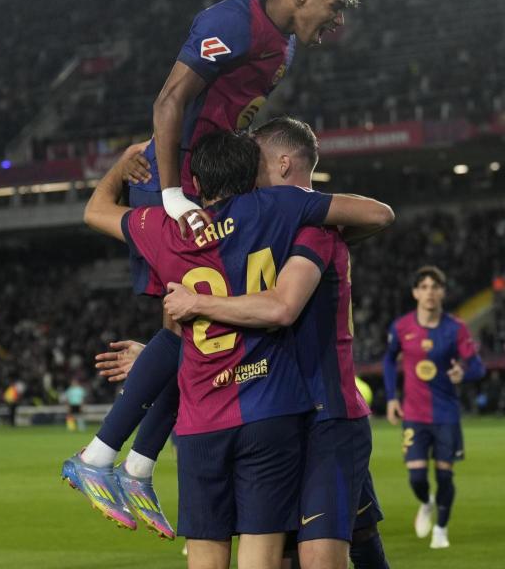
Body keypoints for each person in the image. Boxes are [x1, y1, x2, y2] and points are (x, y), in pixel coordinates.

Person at [68, 0, 360, 540]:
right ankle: (98, 458)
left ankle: (138, 466)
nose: (338, 22)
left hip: (210, 178)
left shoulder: (285, 45)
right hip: (179, 179)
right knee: (189, 329)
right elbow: (170, 101)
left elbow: (228, 116)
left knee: (201, 336)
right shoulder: (231, 22)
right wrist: (172, 192)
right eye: (333, 7)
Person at [66, 130, 390, 569]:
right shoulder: (280, 213)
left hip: (306, 413)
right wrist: (163, 358)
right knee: (289, 555)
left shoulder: (176, 228)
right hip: (274, 409)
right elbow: (377, 214)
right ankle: (126, 463)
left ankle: (118, 458)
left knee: (334, 548)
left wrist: (124, 166)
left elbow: (279, 308)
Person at [161, 117, 391, 569]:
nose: (247, 171)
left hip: (326, 414)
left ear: (284, 164)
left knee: (320, 559)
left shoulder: (312, 225)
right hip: (281, 413)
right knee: (347, 538)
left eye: (257, 160)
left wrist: (196, 305)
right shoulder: (269, 230)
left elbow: (280, 308)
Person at [383, 266, 485, 550]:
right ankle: (426, 503)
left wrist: (463, 371)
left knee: (444, 475)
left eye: (435, 286)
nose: (430, 291)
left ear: (443, 292)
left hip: (446, 415)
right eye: (424, 286)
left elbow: (478, 366)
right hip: (414, 414)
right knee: (416, 476)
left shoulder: (456, 328)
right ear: (416, 292)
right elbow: (389, 360)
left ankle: (441, 528)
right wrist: (392, 398)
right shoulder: (401, 327)